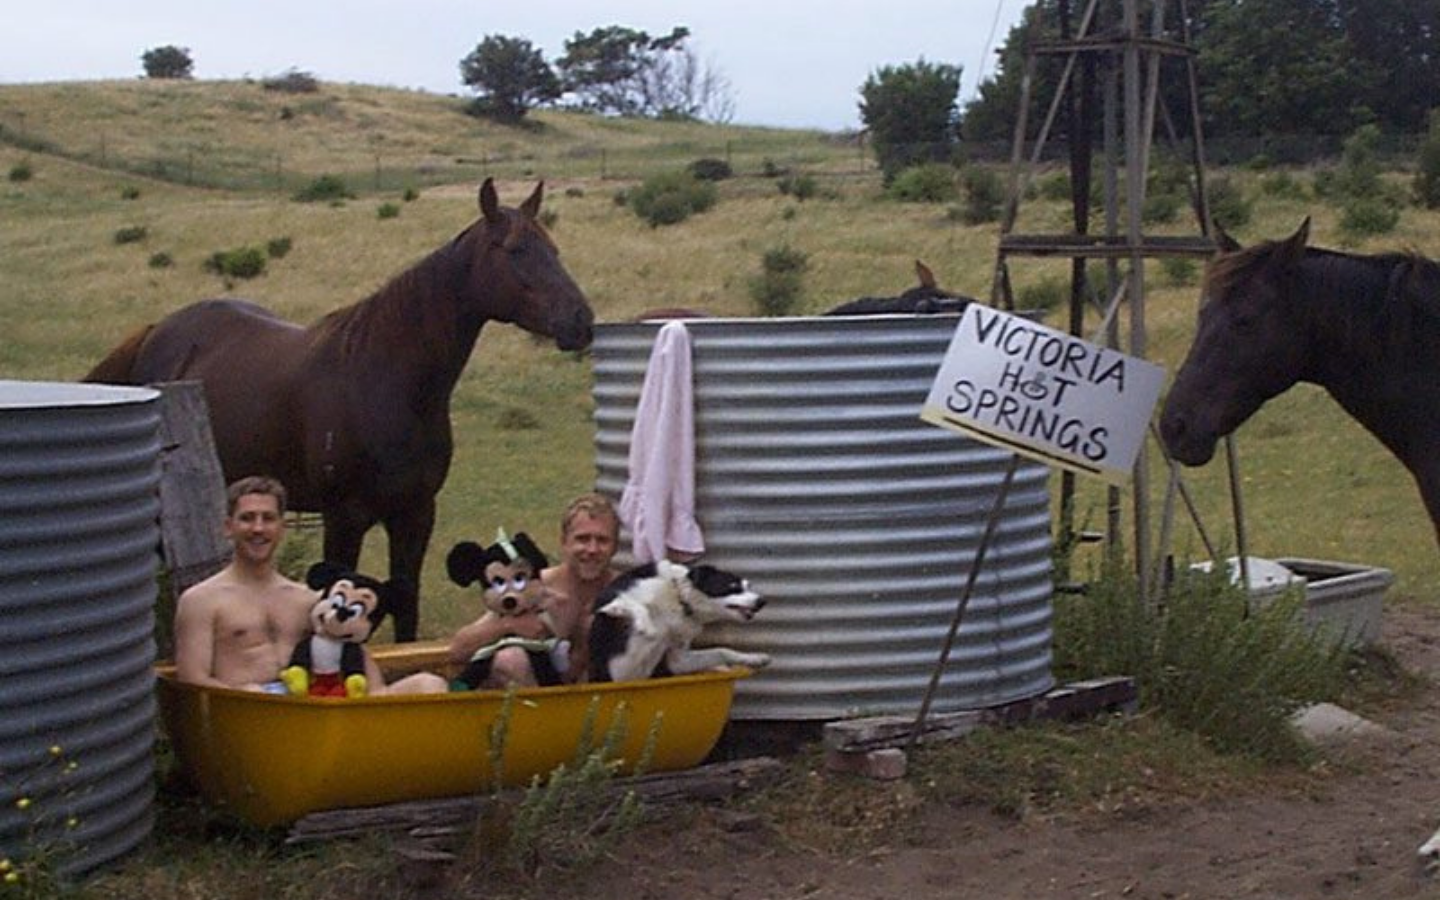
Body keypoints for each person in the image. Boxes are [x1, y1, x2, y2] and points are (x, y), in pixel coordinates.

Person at [173, 475, 446, 695]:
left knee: (429, 685)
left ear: (282, 527)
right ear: (228, 527)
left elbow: (350, 646)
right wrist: (249, 698)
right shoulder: (201, 600)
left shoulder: (306, 599)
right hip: (248, 710)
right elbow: (193, 679)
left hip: (313, 711)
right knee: (257, 694)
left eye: (268, 519)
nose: (258, 529)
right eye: (247, 518)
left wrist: (375, 692)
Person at [448, 492, 622, 686]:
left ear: (615, 546)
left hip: (601, 699)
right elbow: (458, 649)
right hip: (531, 699)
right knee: (510, 660)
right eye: (582, 539)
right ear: (564, 542)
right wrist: (508, 625)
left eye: (602, 540)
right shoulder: (535, 587)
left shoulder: (625, 593)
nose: (592, 549)